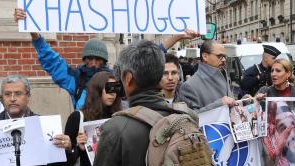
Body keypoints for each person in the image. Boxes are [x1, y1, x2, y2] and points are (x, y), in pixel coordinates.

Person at [12, 8, 199, 109]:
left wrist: (177, 37)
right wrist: (34, 32)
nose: (93, 64)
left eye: (97, 60)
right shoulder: (76, 79)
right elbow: (51, 61)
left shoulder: (115, 77)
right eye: (89, 59)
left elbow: (146, 57)